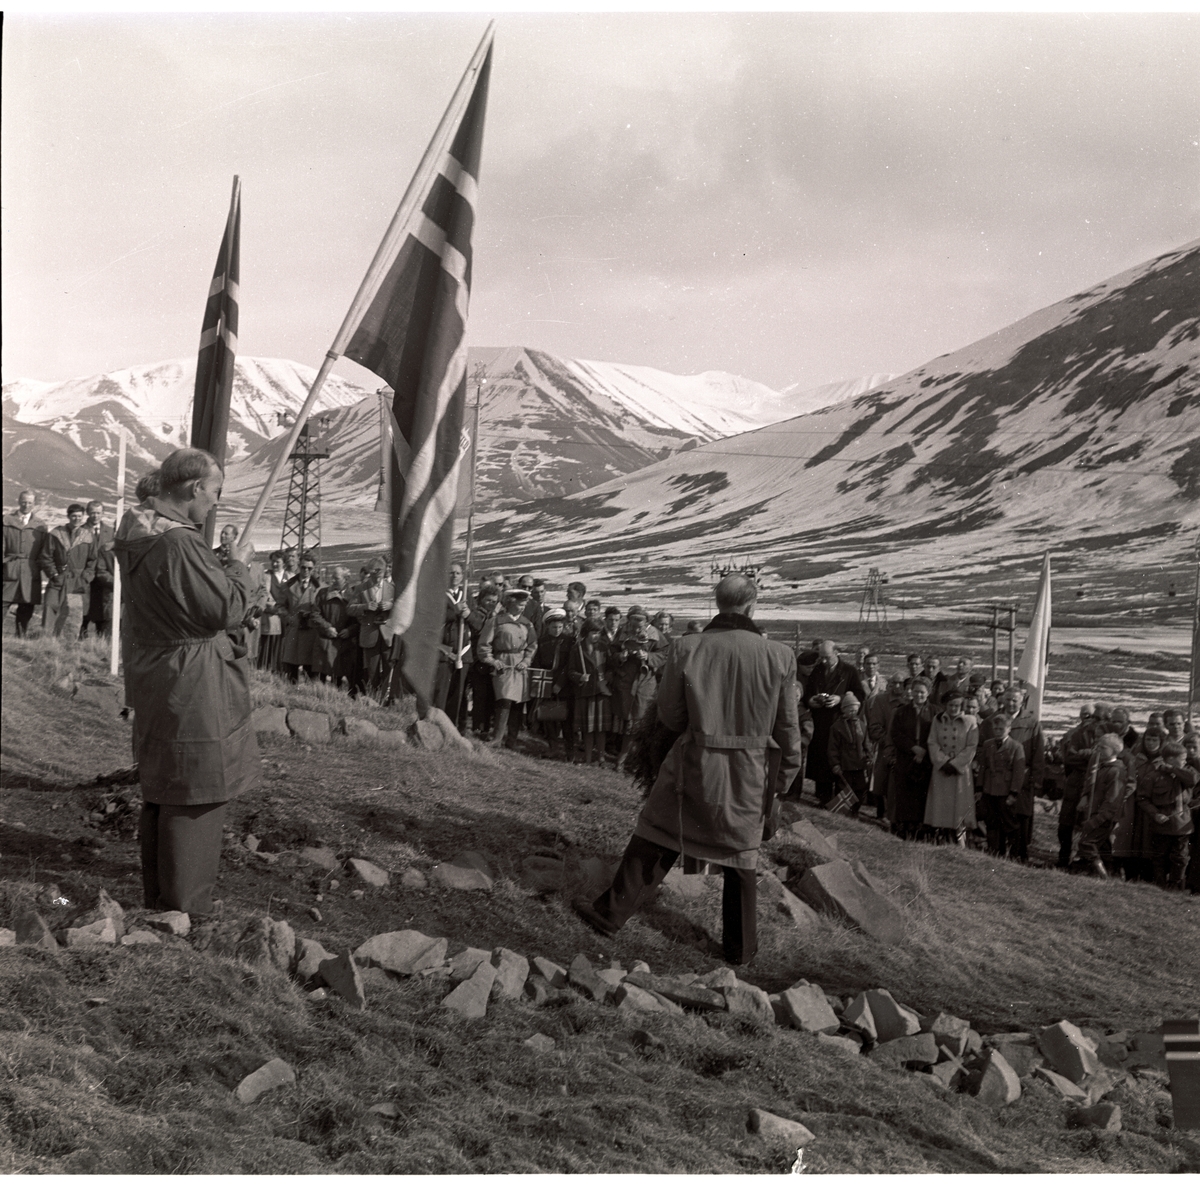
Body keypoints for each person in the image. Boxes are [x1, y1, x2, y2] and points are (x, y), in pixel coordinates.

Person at [572, 573, 800, 965]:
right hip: (750, 770)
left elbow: (671, 714)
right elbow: (788, 729)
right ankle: (740, 949)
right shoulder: (779, 655)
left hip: (697, 757)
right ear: (752, 605)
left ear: (717, 603)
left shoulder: (687, 647)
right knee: (741, 856)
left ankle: (610, 914)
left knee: (658, 831)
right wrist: (781, 780)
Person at [113, 448, 260, 916]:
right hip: (192, 677)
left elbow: (180, 595)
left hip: (156, 668)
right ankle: (187, 908)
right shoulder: (180, 543)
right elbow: (223, 611)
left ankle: (162, 900)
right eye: (214, 492)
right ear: (195, 487)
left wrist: (210, 568)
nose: (215, 502)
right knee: (198, 786)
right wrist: (237, 566)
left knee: (164, 786)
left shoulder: (137, 529)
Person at [803, 640, 866, 806]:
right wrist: (812, 701)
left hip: (841, 722)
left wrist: (841, 698)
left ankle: (839, 800)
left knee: (839, 759)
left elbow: (860, 694)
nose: (823, 661)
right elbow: (807, 693)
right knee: (822, 758)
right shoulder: (817, 670)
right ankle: (823, 797)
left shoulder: (849, 671)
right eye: (821, 657)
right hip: (821, 721)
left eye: (827, 657)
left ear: (837, 653)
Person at [476, 586, 537, 750]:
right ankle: (497, 737)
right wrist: (491, 660)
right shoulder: (496, 621)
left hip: (520, 668)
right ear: (510, 603)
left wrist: (526, 661)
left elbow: (532, 646)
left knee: (518, 702)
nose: (522, 607)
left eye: (524, 604)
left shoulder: (527, 624)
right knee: (504, 699)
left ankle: (512, 740)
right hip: (504, 664)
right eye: (519, 604)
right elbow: (484, 644)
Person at [608, 605, 668, 772]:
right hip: (625, 681)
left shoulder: (655, 634)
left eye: (640, 620)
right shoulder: (622, 631)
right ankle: (625, 756)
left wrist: (648, 656)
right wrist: (620, 656)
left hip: (644, 682)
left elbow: (664, 654)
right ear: (628, 619)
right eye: (633, 620)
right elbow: (611, 653)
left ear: (647, 621)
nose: (637, 624)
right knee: (625, 721)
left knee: (639, 721)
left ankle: (627, 758)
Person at [1136, 741, 1199, 889]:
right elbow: (1142, 799)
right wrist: (1155, 814)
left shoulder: (1188, 772)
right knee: (1159, 857)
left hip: (1183, 825)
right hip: (1162, 824)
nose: (1185, 761)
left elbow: (1193, 780)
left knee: (1181, 857)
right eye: (1182, 758)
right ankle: (1160, 885)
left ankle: (1175, 886)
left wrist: (1174, 769)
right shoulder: (1153, 776)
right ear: (1170, 758)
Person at [1112, 727, 1165, 882]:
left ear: (1161, 742)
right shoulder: (1137, 758)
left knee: (1149, 841)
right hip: (1135, 806)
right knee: (1133, 840)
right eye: (1148, 739)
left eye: (1155, 740)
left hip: (1153, 806)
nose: (1150, 743)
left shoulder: (1163, 760)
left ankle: (1149, 877)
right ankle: (1131, 874)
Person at [926, 691, 979, 845]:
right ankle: (941, 837)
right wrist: (943, 762)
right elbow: (932, 742)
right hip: (941, 770)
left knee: (959, 806)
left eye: (957, 705)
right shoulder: (937, 720)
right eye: (950, 705)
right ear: (945, 706)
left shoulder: (970, 721)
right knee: (941, 804)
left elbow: (971, 746)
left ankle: (959, 839)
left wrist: (956, 764)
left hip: (960, 771)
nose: (954, 708)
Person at [39, 502, 97, 637]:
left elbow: (93, 560)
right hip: (58, 578)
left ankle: (67, 643)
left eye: (79, 516)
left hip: (78, 581)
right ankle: (46, 641)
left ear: (83, 517)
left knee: (72, 613)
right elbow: (46, 556)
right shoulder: (56, 534)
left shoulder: (88, 536)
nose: (77, 519)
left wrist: (86, 578)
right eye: (73, 516)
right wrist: (53, 574)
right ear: (68, 516)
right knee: (50, 606)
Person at [1001, 687, 1045, 860]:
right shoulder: (995, 719)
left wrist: (1035, 779)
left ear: (1022, 701)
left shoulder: (1031, 722)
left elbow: (1038, 753)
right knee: (1002, 814)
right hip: (999, 776)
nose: (1011, 703)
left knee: (1021, 815)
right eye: (1008, 699)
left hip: (1023, 777)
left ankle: (1020, 853)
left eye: (1015, 700)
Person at [1074, 734, 1127, 877]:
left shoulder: (1115, 771)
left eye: (1103, 748)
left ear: (1115, 750)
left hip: (1104, 817)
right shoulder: (1101, 766)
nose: (1098, 750)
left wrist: (1096, 820)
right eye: (1097, 747)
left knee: (1087, 844)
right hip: (1096, 813)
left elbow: (1112, 801)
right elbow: (1090, 782)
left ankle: (1102, 875)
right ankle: (1108, 872)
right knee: (1103, 846)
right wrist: (1085, 796)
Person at [978, 713, 1028, 859]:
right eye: (996, 728)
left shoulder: (1016, 746)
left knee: (1009, 824)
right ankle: (995, 853)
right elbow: (983, 768)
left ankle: (1014, 854)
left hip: (1005, 791)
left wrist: (1013, 793)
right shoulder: (988, 744)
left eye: (1001, 729)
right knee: (992, 822)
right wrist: (979, 788)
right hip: (990, 789)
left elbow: (1018, 773)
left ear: (1009, 729)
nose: (998, 731)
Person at [890, 676, 934, 839]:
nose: (919, 695)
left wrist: (924, 752)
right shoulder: (901, 711)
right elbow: (896, 734)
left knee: (922, 795)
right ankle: (904, 829)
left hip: (926, 760)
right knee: (905, 795)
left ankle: (921, 830)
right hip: (906, 759)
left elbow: (936, 735)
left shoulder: (934, 712)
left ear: (928, 693)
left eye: (922, 692)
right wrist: (913, 748)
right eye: (916, 691)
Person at [1058, 703, 1100, 868]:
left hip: (1095, 784)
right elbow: (1069, 758)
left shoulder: (1107, 735)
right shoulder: (1078, 734)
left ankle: (1083, 861)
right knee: (1065, 824)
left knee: (1086, 824)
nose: (1089, 719)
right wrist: (1089, 758)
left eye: (1092, 716)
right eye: (1087, 715)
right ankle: (1063, 859)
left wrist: (1088, 756)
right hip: (1075, 782)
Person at [530, 608, 574, 760]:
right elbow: (537, 662)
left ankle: (570, 752)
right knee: (549, 718)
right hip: (546, 682)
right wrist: (540, 681)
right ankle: (553, 748)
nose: (557, 630)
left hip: (564, 685)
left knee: (566, 720)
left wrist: (560, 684)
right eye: (554, 627)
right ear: (547, 626)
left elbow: (569, 665)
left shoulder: (569, 641)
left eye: (560, 627)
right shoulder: (542, 641)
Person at [567, 618, 612, 765]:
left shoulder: (604, 647)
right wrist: (580, 676)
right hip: (584, 691)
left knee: (601, 729)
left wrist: (607, 679)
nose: (597, 636)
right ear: (586, 633)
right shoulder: (577, 648)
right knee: (587, 728)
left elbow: (611, 668)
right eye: (594, 633)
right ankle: (587, 758)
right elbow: (570, 671)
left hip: (601, 691)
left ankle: (601, 757)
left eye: (599, 632)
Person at [3, 489, 47, 638]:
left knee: (27, 605)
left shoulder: (40, 525)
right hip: (9, 568)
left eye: (29, 503)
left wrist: (38, 568)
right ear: (18, 501)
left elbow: (43, 551)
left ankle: (20, 637)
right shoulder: (6, 521)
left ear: (34, 504)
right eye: (23, 502)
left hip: (30, 571)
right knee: (3, 602)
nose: (26, 505)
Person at [348, 556, 394, 693]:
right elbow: (350, 609)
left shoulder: (392, 588)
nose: (377, 579)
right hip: (369, 636)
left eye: (379, 574)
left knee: (388, 670)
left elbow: (403, 607)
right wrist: (365, 606)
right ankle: (372, 699)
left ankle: (387, 702)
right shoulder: (361, 588)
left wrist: (390, 605)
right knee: (371, 671)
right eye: (374, 574)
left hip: (387, 636)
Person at [866, 673, 905, 821]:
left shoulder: (910, 701)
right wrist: (889, 742)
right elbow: (874, 727)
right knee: (883, 781)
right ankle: (881, 813)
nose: (897, 686)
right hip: (886, 749)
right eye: (894, 683)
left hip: (905, 751)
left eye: (901, 683)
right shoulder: (881, 701)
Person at [312, 567, 358, 689]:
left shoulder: (353, 596)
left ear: (346, 579)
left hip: (344, 643)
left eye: (336, 578)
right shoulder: (323, 593)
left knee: (338, 677)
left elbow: (359, 620)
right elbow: (315, 614)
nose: (332, 580)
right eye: (331, 577)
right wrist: (327, 627)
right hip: (325, 641)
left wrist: (350, 631)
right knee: (321, 676)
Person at [435, 562, 471, 719]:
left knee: (458, 694)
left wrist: (468, 614)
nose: (454, 576)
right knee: (441, 693)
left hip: (463, 652)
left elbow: (477, 622)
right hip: (444, 651)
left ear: (462, 576)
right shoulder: (438, 594)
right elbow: (435, 618)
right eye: (451, 573)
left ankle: (454, 728)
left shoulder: (467, 595)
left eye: (457, 573)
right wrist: (455, 612)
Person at [465, 584, 501, 736]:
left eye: (494, 601)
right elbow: (480, 628)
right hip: (475, 660)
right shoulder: (478, 614)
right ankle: (477, 727)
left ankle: (485, 727)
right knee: (479, 696)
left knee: (488, 697)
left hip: (490, 661)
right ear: (481, 600)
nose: (491, 604)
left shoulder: (497, 616)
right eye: (488, 600)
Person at [827, 694, 872, 814]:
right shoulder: (837, 727)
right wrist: (835, 764)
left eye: (855, 709)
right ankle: (841, 811)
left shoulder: (862, 725)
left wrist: (868, 757)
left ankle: (854, 811)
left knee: (860, 788)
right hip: (844, 764)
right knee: (843, 788)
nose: (853, 712)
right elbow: (833, 748)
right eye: (850, 709)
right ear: (844, 710)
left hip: (859, 764)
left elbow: (866, 744)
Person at [280, 553, 321, 682]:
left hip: (311, 632)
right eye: (303, 567)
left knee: (310, 670)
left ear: (314, 569)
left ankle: (309, 697)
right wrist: (288, 618)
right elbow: (280, 607)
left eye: (310, 568)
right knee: (291, 669)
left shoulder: (320, 587)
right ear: (299, 566)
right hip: (294, 630)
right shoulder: (289, 585)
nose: (306, 571)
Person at [257, 550, 289, 672]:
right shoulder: (267, 576)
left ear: (284, 563)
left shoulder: (289, 576)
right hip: (272, 616)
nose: (274, 564)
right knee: (269, 645)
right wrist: (275, 607)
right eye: (273, 561)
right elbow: (264, 594)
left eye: (278, 562)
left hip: (285, 618)